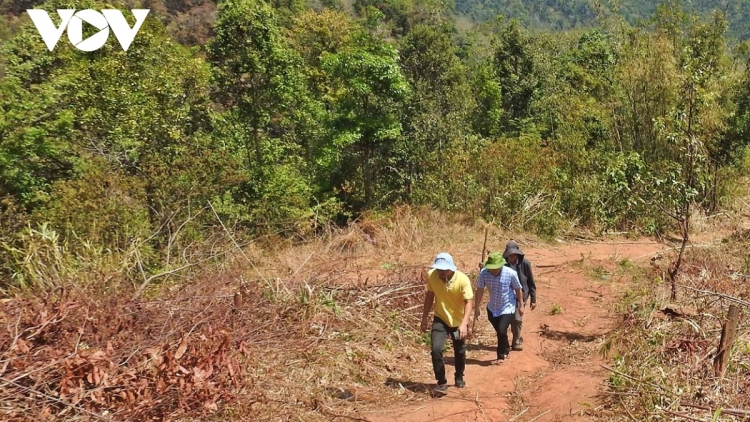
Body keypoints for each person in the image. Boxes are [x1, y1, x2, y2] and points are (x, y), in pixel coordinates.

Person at [420, 252, 474, 394]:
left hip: (457, 322)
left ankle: (459, 376)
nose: (441, 271)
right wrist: (424, 317)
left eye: (444, 269)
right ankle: (441, 382)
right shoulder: (432, 275)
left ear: (451, 267)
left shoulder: (462, 280)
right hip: (441, 319)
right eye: (439, 268)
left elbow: (468, 302)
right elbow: (430, 295)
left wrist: (464, 323)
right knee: (436, 349)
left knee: (459, 350)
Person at [473, 252, 523, 364]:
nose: (494, 271)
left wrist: (521, 305)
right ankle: (505, 348)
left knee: (501, 330)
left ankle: (501, 356)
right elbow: (480, 290)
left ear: (501, 265)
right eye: (492, 268)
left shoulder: (511, 273)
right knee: (501, 332)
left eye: (496, 268)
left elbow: (518, 289)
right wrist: (477, 307)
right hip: (492, 308)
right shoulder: (484, 273)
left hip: (507, 307)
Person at [503, 240, 537, 351]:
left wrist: (533, 299)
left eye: (513, 255)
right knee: (507, 319)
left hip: (521, 294)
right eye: (509, 255)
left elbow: (531, 282)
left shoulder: (525, 263)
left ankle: (516, 340)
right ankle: (507, 341)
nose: (511, 257)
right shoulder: (503, 264)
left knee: (517, 318)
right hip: (507, 295)